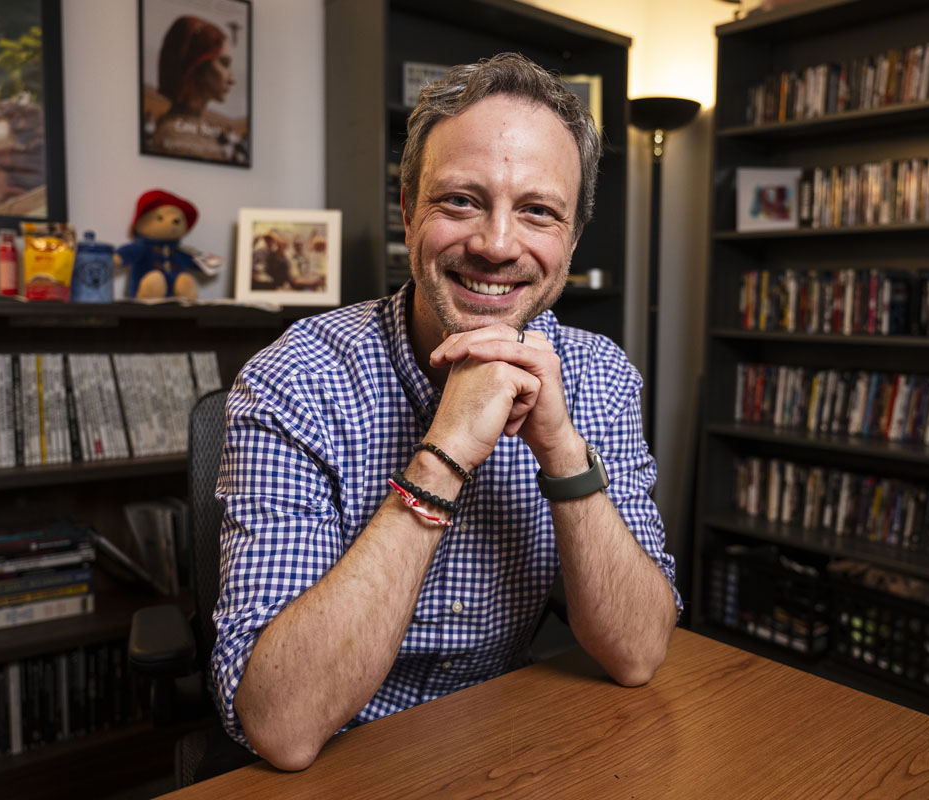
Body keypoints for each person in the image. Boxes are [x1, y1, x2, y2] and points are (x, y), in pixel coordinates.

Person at [211, 52, 680, 772]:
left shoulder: (599, 374)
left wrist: (558, 446)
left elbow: (639, 652)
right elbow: (283, 723)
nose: (496, 245)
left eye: (538, 211)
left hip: (511, 745)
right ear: (407, 212)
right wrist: (445, 451)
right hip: (341, 756)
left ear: (572, 240)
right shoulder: (295, 378)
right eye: (460, 200)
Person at [148, 16, 237, 162]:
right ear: (199, 65)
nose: (232, 79)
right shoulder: (173, 135)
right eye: (224, 63)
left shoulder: (203, 130)